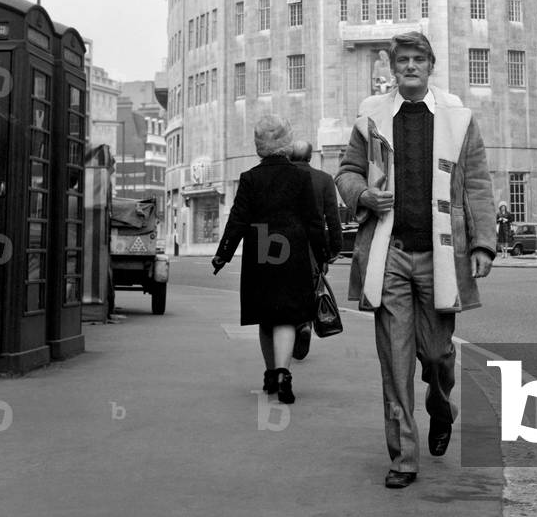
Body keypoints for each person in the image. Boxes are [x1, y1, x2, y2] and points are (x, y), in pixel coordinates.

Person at [336, 31, 496, 489]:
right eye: (401, 59)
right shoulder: (370, 116)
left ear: (430, 65)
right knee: (395, 361)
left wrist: (483, 244)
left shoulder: (458, 118)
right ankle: (404, 457)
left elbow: (478, 185)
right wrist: (363, 193)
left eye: (417, 60)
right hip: (390, 255)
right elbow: (346, 172)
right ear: (392, 65)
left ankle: (441, 404)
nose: (409, 66)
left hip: (439, 257)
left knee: (436, 353)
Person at [212, 115, 328, 405]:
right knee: (288, 317)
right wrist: (322, 255)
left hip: (262, 249)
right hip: (293, 250)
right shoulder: (302, 177)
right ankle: (284, 374)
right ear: (286, 142)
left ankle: (269, 374)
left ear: (259, 145)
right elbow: (314, 221)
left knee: (266, 315)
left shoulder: (250, 178)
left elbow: (238, 220)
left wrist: (222, 255)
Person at [286, 140, 343, 361]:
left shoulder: (283, 177)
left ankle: (294, 325)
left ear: (290, 157)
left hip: (285, 244)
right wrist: (334, 249)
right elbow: (333, 217)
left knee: (288, 288)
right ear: (311, 157)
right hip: (313, 246)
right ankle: (306, 324)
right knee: (312, 285)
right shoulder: (324, 179)